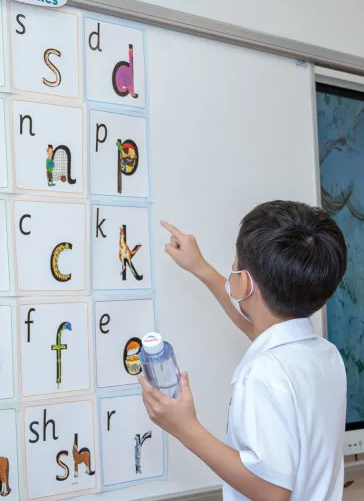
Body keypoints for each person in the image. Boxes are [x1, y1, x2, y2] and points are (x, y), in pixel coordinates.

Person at [141, 200, 348, 501]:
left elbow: (273, 491)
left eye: (235, 268)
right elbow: (258, 327)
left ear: (246, 284)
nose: (232, 273)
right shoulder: (324, 355)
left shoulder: (263, 373)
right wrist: (201, 268)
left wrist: (186, 428)